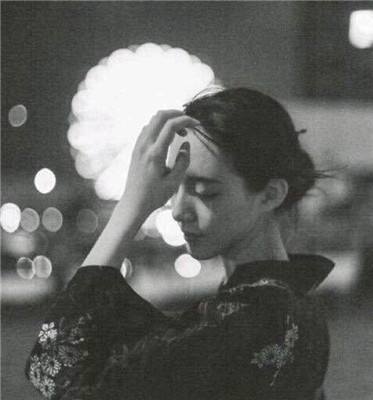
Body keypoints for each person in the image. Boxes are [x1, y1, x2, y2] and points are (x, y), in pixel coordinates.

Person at [26, 88, 334, 400]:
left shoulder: (247, 322)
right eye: (173, 188)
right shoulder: (299, 305)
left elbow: (54, 367)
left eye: (206, 192)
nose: (177, 210)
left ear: (270, 195)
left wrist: (130, 207)